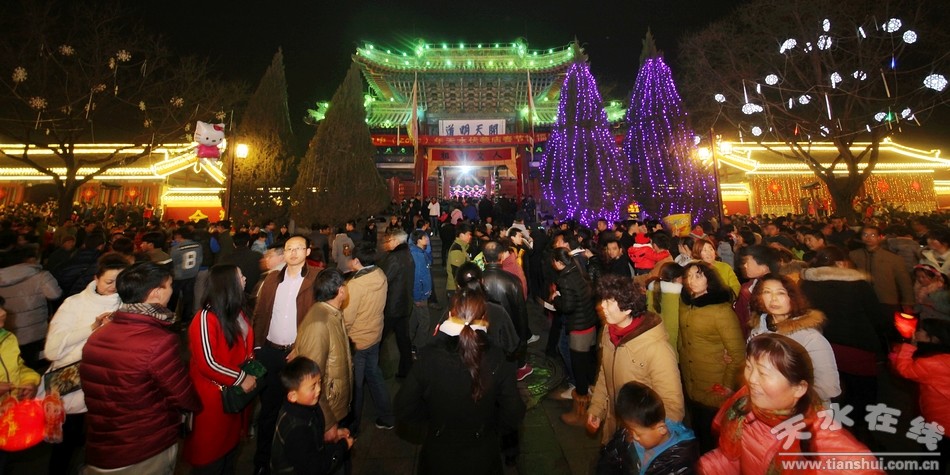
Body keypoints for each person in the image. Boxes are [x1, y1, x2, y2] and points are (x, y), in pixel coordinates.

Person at [698, 334, 881, 474]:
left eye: (763, 373)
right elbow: (734, 459)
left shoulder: (817, 438)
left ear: (799, 388)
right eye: (749, 367)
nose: (751, 379)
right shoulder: (744, 406)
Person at [80, 261, 200, 474]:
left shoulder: (97, 336)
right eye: (169, 285)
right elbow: (182, 396)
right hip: (145, 447)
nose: (172, 291)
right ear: (156, 293)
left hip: (102, 445)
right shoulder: (158, 341)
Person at [394, 288, 525, 475]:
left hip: (439, 457)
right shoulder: (497, 358)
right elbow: (513, 412)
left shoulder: (429, 357)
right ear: (484, 318)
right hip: (482, 457)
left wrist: (434, 421)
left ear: (449, 316)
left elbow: (404, 406)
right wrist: (488, 425)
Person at [41, 253, 128, 474]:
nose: (114, 288)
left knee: (101, 444)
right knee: (66, 445)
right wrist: (93, 328)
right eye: (109, 281)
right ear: (96, 278)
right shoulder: (75, 304)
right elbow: (52, 350)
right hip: (74, 387)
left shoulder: (127, 305)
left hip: (108, 388)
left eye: (119, 282)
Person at [799, 245, 887, 443]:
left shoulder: (807, 284)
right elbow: (876, 316)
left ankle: (836, 432)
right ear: (841, 263)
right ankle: (861, 431)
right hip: (858, 346)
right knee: (863, 391)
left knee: (830, 391)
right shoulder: (858, 284)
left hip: (823, 345)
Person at [587, 275, 685, 446]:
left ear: (627, 308)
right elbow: (605, 373)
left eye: (609, 302)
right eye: (603, 300)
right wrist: (597, 408)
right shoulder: (609, 332)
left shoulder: (657, 349)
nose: (602, 306)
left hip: (640, 441)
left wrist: (647, 439)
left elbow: (673, 406)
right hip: (614, 430)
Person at [252, 235, 319, 473]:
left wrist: (301, 348)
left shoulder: (315, 279)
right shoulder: (272, 279)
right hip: (271, 351)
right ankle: (262, 462)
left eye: (299, 248)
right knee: (268, 410)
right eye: (289, 248)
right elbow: (260, 312)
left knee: (301, 410)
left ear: (307, 252)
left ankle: (300, 460)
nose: (293, 252)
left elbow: (318, 317)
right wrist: (258, 346)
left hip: (297, 354)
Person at [185, 264, 257, 473]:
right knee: (211, 458)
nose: (245, 279)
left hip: (233, 397)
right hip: (213, 401)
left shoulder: (236, 312)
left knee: (229, 455)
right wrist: (241, 378)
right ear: (227, 283)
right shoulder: (205, 318)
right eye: (240, 276)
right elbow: (208, 362)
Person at [678, 261, 745, 451]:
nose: (691, 280)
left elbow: (738, 354)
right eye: (688, 276)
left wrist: (726, 387)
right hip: (691, 384)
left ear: (710, 279)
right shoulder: (686, 305)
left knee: (714, 441)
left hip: (714, 387)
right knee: (698, 433)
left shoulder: (721, 311)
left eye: (698, 275)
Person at [749, 274, 841, 403]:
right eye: (767, 292)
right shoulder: (757, 331)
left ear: (792, 297)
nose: (773, 299)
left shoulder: (810, 338)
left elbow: (828, 387)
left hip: (802, 409)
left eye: (781, 293)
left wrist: (789, 400)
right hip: (765, 405)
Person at [294, 268, 353, 443]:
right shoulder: (319, 324)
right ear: (341, 291)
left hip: (334, 406)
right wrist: (328, 423)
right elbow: (311, 378)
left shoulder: (331, 313)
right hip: (327, 411)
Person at [343, 243, 394, 434]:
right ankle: (387, 416)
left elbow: (347, 318)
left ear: (357, 261)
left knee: (355, 385)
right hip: (375, 334)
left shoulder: (355, 285)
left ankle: (353, 428)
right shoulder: (380, 274)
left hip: (357, 340)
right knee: (374, 374)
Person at [271, 357, 353, 475]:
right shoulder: (297, 430)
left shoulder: (306, 407)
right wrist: (342, 447)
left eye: (319, 382)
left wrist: (328, 438)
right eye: (313, 387)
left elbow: (311, 443)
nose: (319, 389)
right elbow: (315, 468)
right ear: (293, 396)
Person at [595, 382, 698, 475]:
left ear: (661, 429)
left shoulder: (681, 462)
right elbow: (609, 461)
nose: (633, 437)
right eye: (630, 429)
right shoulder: (630, 432)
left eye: (638, 434)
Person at [889, 318, 950, 470]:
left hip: (940, 424)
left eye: (921, 331)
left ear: (933, 338)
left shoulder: (930, 363)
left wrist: (909, 346)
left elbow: (904, 370)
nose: (916, 332)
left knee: (932, 461)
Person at [551, 247, 599, 426]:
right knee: (588, 365)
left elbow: (568, 307)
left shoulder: (565, 279)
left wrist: (556, 298)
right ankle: (592, 398)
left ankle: (580, 414)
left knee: (579, 369)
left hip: (579, 330)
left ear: (558, 262)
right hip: (589, 324)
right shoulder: (578, 269)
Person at [0, 246, 63, 366]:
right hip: (35, 330)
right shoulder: (41, 276)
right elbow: (55, 294)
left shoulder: (2, 276)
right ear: (30, 259)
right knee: (34, 364)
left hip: (7, 331)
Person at [733, 245, 780, 339]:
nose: (744, 266)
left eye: (747, 262)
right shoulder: (749, 287)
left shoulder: (777, 289)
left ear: (764, 267)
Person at [644, 262, 684, 349]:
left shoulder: (652, 289)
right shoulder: (679, 294)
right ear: (678, 279)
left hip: (654, 333)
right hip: (673, 335)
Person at [446, 222, 473, 298]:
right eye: (468, 234)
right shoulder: (457, 249)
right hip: (455, 289)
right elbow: (456, 272)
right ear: (461, 235)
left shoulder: (463, 247)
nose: (470, 237)